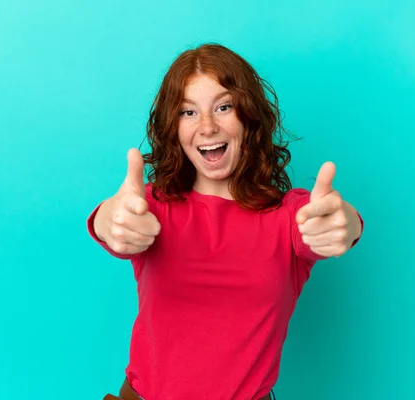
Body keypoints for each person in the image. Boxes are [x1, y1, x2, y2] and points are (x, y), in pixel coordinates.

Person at [88, 43, 364, 400]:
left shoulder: (288, 217)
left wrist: (345, 223)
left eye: (223, 107)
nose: (206, 127)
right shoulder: (152, 207)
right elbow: (112, 220)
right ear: (173, 126)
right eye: (188, 112)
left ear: (248, 116)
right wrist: (109, 221)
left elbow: (332, 222)